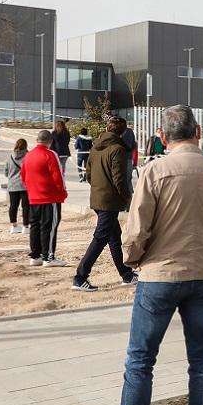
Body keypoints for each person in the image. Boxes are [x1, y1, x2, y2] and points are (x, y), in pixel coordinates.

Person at [117, 105, 203, 405]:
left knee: (140, 362)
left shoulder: (154, 172)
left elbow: (135, 231)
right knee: (201, 359)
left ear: (161, 137)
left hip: (159, 275)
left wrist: (134, 260)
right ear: (198, 132)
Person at [74, 116, 136, 290]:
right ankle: (80, 276)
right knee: (101, 237)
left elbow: (89, 175)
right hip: (110, 201)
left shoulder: (95, 148)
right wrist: (126, 197)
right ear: (123, 133)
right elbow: (120, 179)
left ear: (108, 128)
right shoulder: (118, 150)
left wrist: (99, 188)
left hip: (97, 198)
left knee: (113, 236)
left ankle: (126, 274)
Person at [22, 130, 69, 267]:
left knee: (35, 226)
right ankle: (48, 257)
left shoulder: (28, 155)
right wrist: (62, 191)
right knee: (49, 227)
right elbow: (58, 176)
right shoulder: (50, 154)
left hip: (33, 196)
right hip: (49, 196)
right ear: (50, 141)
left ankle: (35, 255)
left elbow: (23, 176)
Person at [2, 139, 31, 235]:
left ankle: (13, 226)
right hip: (25, 185)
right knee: (26, 206)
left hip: (12, 185)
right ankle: (26, 226)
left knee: (13, 206)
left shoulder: (10, 157)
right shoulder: (28, 156)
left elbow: (6, 172)